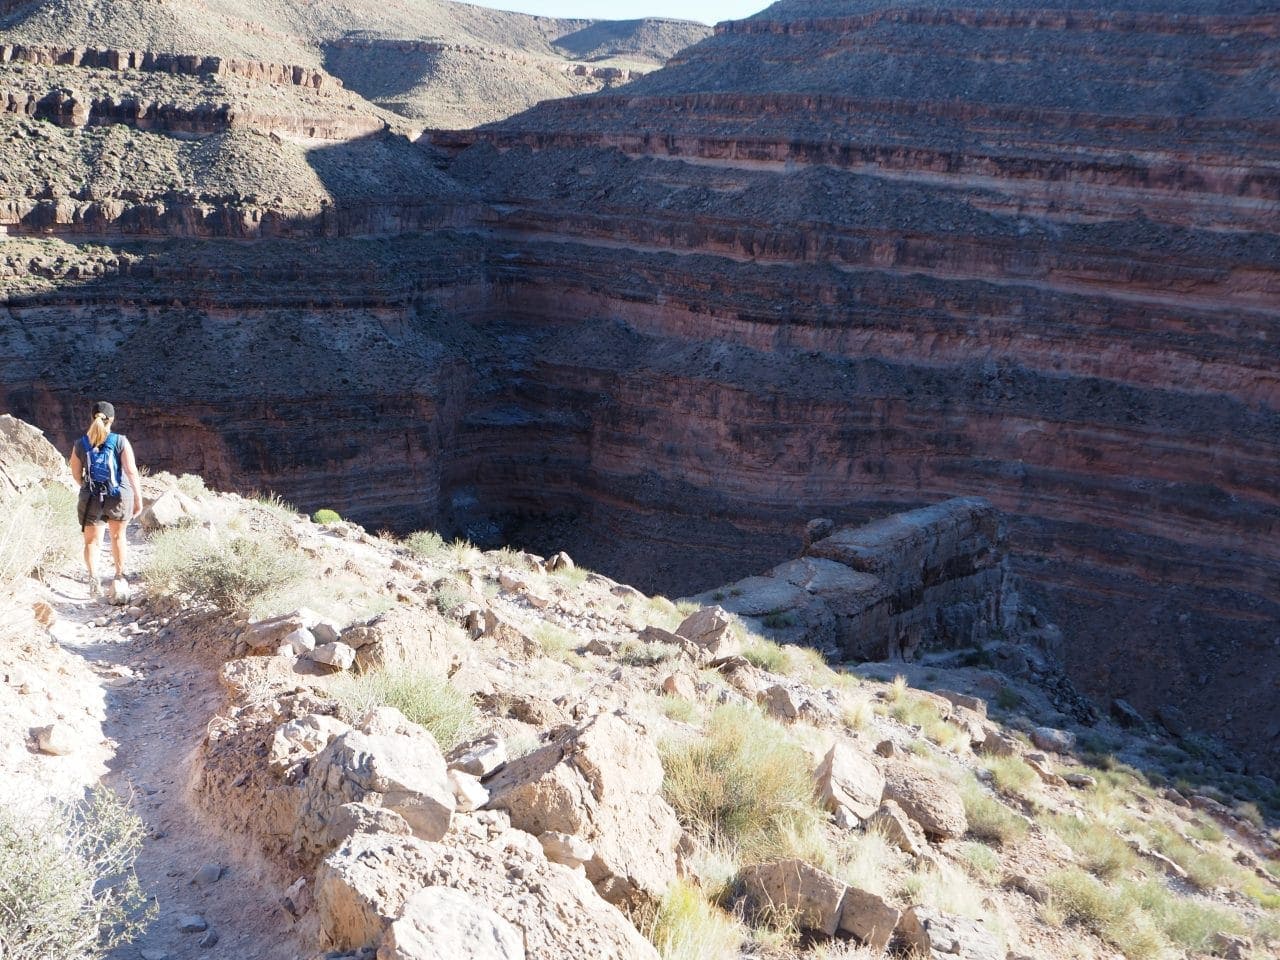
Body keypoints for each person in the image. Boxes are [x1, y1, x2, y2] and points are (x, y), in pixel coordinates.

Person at [69, 401, 143, 598]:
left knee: (92, 542)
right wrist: (138, 498)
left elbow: (76, 473)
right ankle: (119, 576)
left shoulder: (80, 444)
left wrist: (87, 487)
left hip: (91, 497)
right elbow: (131, 472)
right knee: (118, 537)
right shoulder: (120, 441)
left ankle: (94, 580)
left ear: (92, 417)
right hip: (119, 495)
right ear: (112, 419)